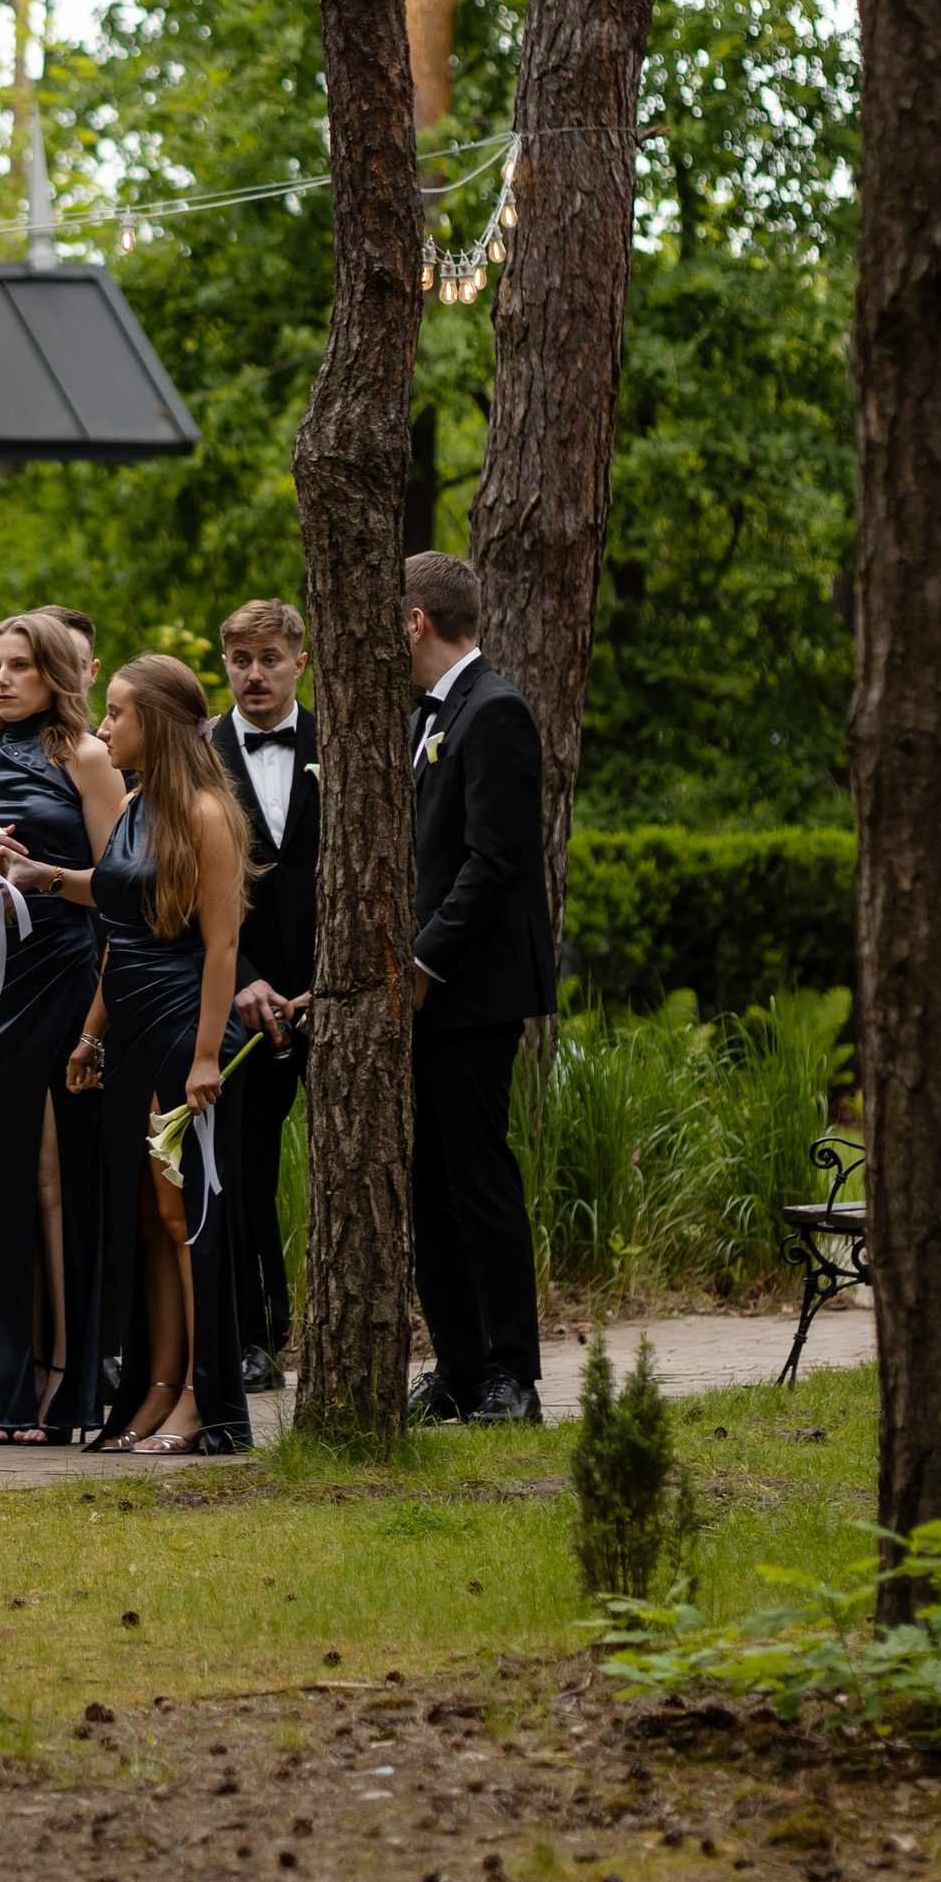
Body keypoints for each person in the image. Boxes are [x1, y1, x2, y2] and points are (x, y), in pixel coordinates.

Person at [3, 654, 252, 1455]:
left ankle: (202, 1402)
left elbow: (222, 947)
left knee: (184, 1218)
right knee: (145, 1220)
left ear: (160, 726)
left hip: (186, 1030)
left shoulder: (208, 814)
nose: (103, 726)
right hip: (132, 1030)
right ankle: (157, 1388)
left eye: (116, 714)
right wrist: (90, 1034)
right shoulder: (136, 806)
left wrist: (207, 1056)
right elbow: (118, 919)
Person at [0, 612, 126, 1443]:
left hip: (63, 978)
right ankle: (6, 1384)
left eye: (20, 666)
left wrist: (40, 876)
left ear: (55, 673)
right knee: (2, 1180)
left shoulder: (86, 756)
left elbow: (122, 888)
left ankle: (63, 1377)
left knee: (57, 1178)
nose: (3, 680)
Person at [401, 549, 557, 1426]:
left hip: (473, 990)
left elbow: (493, 863)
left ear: (416, 621)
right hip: (426, 989)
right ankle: (458, 1366)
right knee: (429, 1183)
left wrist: (425, 966)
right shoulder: (423, 716)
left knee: (478, 1177)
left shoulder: (495, 711)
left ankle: (510, 1372)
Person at [211, 599, 317, 1391]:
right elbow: (185, 880)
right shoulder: (199, 754)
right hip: (240, 991)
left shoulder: (343, 744)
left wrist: (336, 979)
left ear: (299, 664)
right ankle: (257, 1336)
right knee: (245, 1167)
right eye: (242, 659)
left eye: (270, 658)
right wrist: (241, 975)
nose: (255, 674)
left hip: (333, 989)